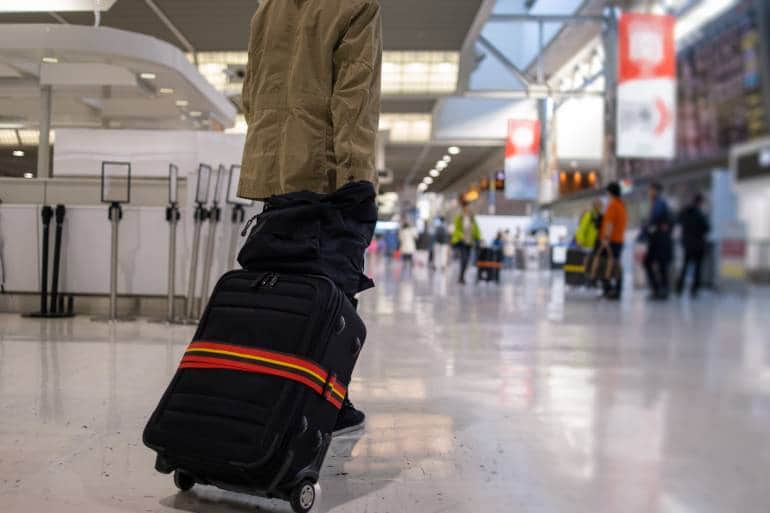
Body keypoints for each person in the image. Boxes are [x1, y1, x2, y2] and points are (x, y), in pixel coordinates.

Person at [238, 0, 382, 435]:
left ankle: (276, 386)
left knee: (283, 283)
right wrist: (357, 178)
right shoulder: (357, 4)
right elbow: (355, 95)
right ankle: (326, 402)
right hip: (328, 172)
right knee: (333, 285)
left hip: (274, 169)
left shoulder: (268, 7)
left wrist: (270, 154)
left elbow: (251, 91)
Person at [641, 182, 674, 300]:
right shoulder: (658, 203)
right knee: (659, 264)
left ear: (656, 191)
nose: (649, 192)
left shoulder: (659, 203)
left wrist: (645, 228)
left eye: (651, 190)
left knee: (655, 264)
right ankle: (660, 290)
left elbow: (653, 220)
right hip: (659, 239)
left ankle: (660, 290)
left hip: (659, 240)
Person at [676, 193, 710, 298]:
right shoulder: (700, 214)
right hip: (698, 245)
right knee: (697, 269)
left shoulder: (686, 212)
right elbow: (707, 228)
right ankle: (694, 290)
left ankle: (679, 288)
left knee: (685, 267)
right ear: (700, 202)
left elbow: (678, 220)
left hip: (687, 244)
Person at [598, 182, 627, 300]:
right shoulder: (621, 205)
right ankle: (616, 290)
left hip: (611, 241)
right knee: (616, 265)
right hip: (619, 240)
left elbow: (609, 223)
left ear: (610, 192)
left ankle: (609, 290)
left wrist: (605, 239)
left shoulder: (613, 205)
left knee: (605, 265)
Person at [451, 204, 481, 284]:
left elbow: (476, 230)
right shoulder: (459, 218)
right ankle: (461, 277)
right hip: (462, 242)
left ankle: (462, 276)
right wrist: (460, 235)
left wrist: (479, 238)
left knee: (467, 260)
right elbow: (456, 229)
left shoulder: (472, 219)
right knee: (463, 259)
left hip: (469, 242)